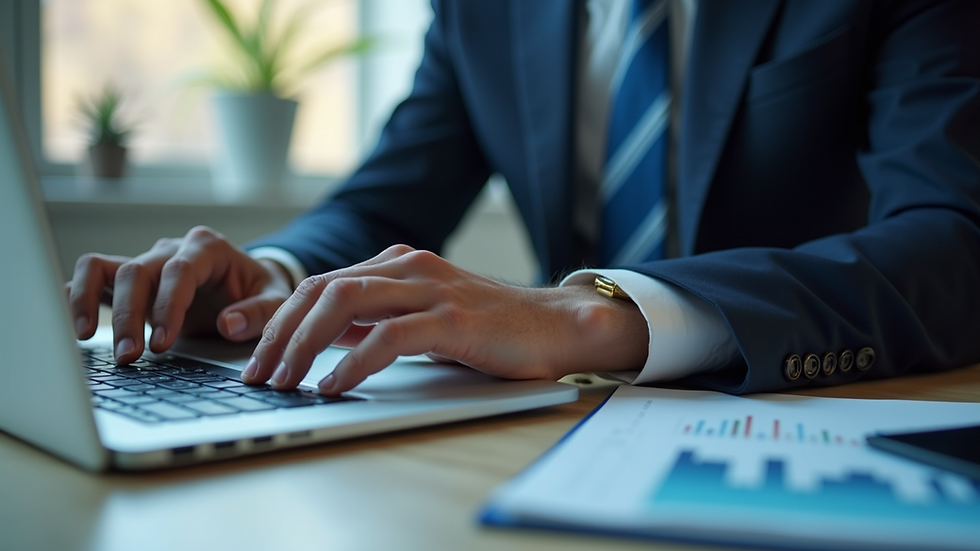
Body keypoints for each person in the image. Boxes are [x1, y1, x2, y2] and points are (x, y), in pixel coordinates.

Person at [67, 0, 980, 397]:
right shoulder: (486, 11)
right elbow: (390, 198)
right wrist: (273, 278)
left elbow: (954, 239)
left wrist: (593, 317)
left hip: (812, 416)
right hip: (554, 429)